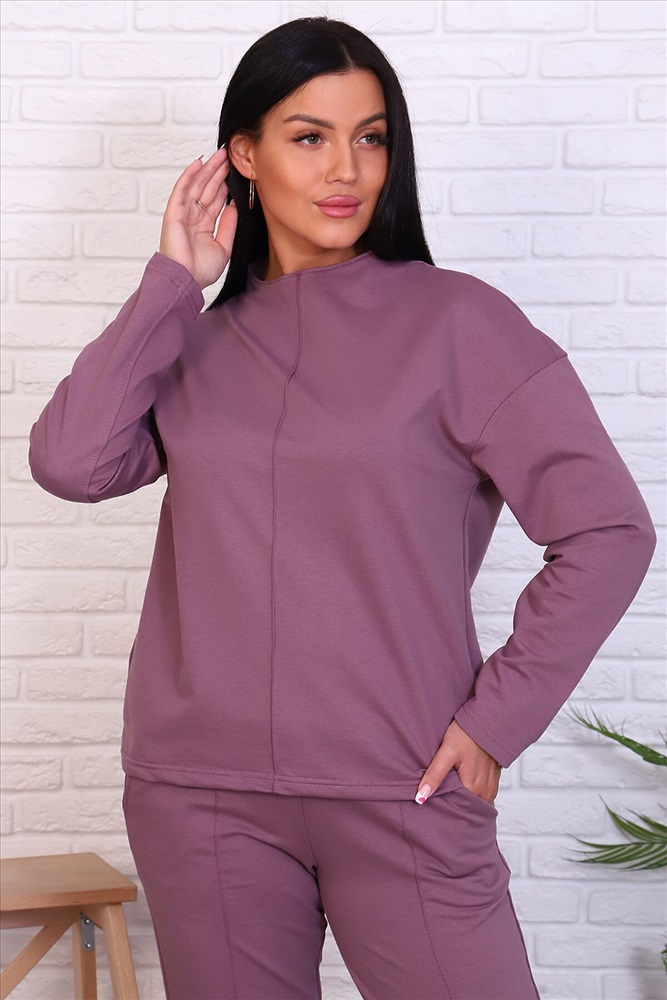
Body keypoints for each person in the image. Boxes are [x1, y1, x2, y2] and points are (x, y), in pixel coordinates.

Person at [28, 17, 655, 1000]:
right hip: (201, 797)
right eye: (309, 136)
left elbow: (607, 530)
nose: (347, 169)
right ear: (243, 154)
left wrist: (495, 721)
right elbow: (71, 463)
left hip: (403, 783)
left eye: (370, 137)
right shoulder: (195, 341)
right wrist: (171, 285)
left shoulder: (461, 325)